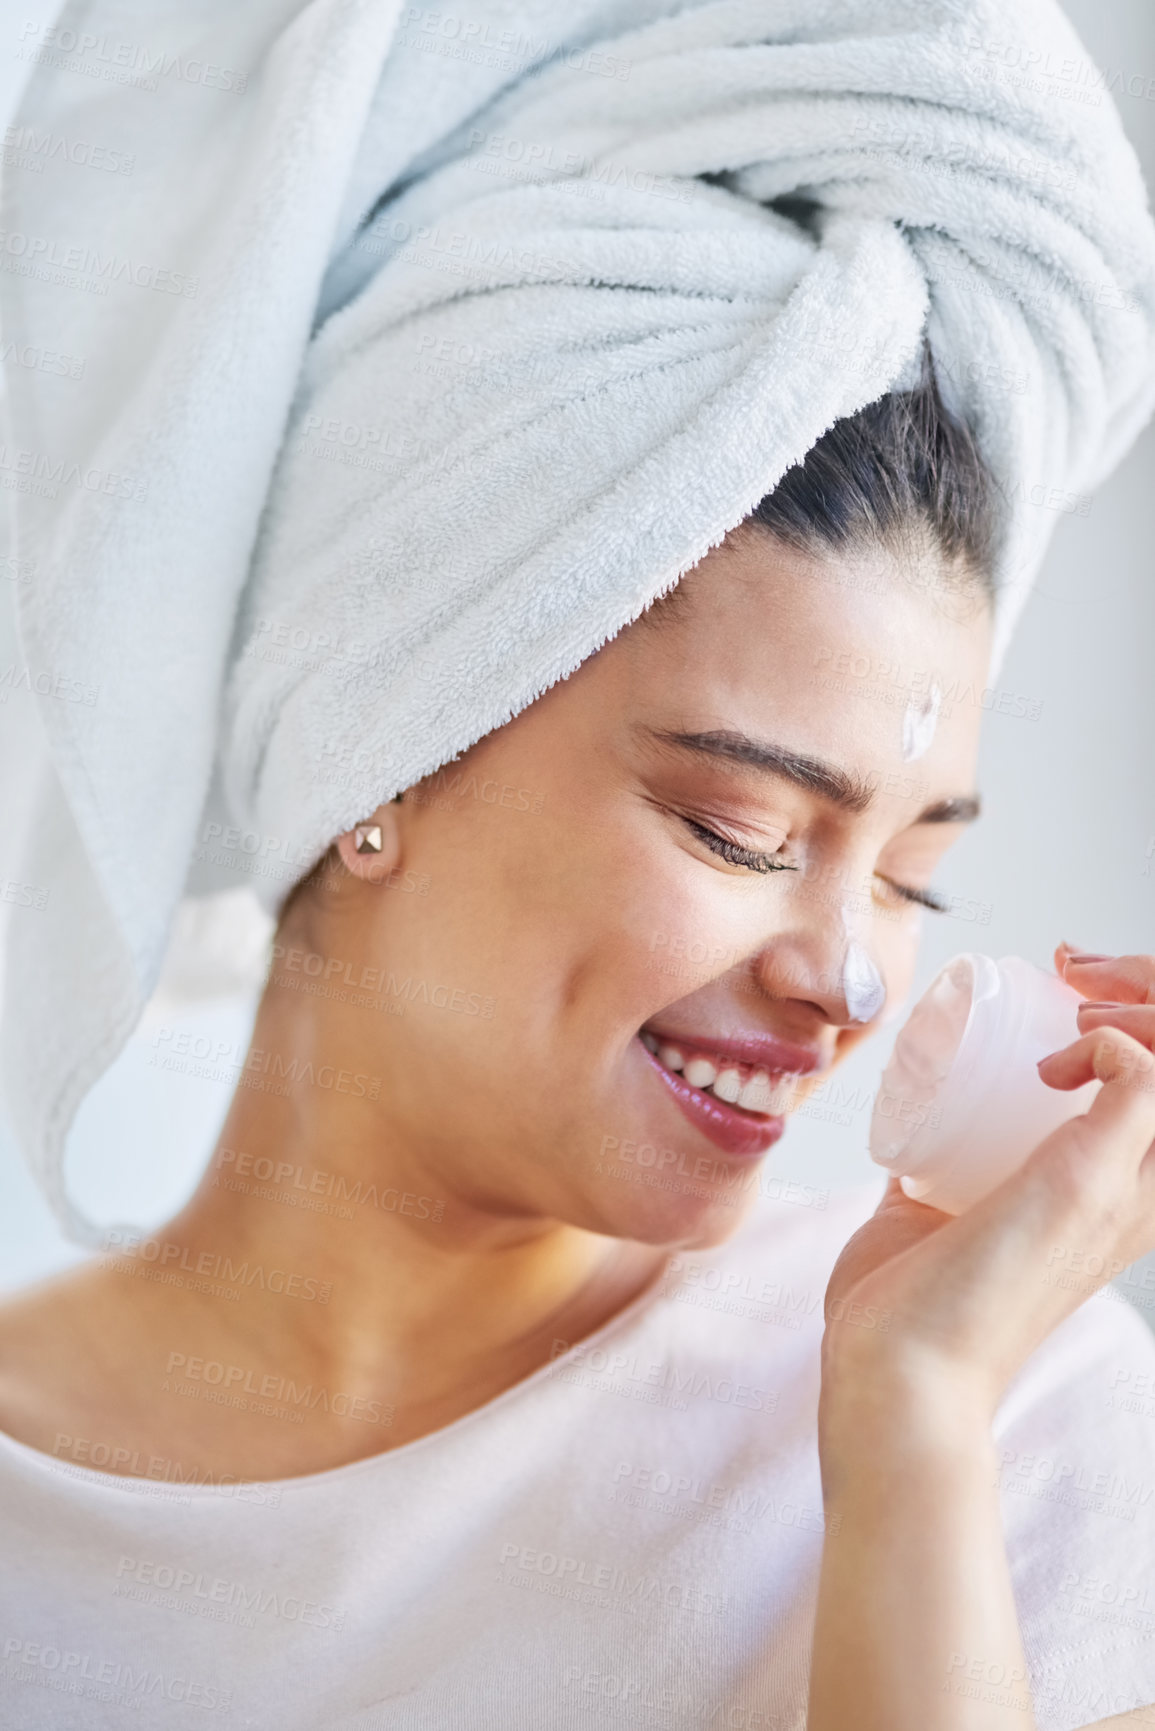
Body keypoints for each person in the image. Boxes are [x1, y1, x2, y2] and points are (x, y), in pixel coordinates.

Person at [1, 363, 1154, 1731]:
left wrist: (914, 1434)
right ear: (382, 757)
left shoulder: (1007, 1397)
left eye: (912, 880)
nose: (852, 982)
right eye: (742, 832)